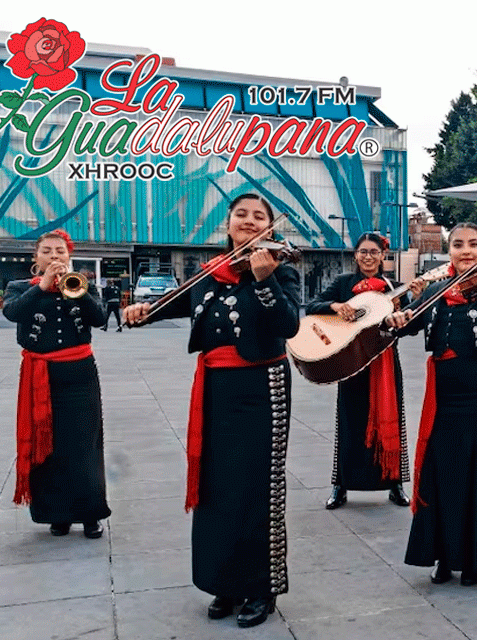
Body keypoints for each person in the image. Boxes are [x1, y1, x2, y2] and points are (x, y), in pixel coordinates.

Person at [123, 194, 300, 628]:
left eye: (259, 216)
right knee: (218, 487)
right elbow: (170, 305)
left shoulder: (281, 270)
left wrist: (263, 281)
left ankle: (261, 587)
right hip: (217, 390)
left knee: (258, 488)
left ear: (270, 229)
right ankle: (225, 581)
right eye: (241, 214)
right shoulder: (208, 273)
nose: (249, 221)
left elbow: (289, 325)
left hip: (262, 388)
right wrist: (141, 311)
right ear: (228, 223)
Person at [387, 222, 477, 587]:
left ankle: (474, 558)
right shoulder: (436, 291)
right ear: (449, 251)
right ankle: (444, 556)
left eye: (473, 244)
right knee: (442, 471)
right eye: (458, 244)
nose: (466, 250)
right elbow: (404, 325)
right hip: (442, 393)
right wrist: (396, 317)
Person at [2, 230, 110, 539]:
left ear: (69, 256)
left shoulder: (81, 284)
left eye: (60, 251)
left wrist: (74, 289)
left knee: (84, 446)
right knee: (47, 447)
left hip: (79, 375)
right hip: (41, 376)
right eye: (47, 251)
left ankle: (90, 515)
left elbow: (99, 317)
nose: (54, 256)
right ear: (36, 258)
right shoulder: (19, 287)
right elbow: (13, 313)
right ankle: (58, 514)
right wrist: (44, 286)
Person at [304, 232, 420, 510]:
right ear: (355, 255)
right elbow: (312, 306)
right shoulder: (343, 283)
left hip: (385, 364)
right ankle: (340, 485)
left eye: (374, 252)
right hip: (351, 364)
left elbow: (410, 328)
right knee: (349, 426)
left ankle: (395, 484)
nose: (368, 257)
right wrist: (336, 306)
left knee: (390, 421)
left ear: (383, 256)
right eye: (363, 252)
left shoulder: (394, 287)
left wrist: (413, 301)